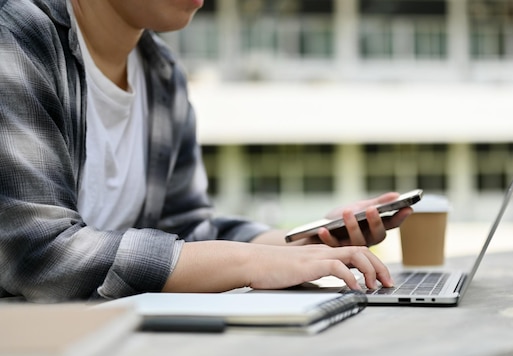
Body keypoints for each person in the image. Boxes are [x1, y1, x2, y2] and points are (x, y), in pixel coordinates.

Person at [0, 0, 412, 303]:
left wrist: (309, 243)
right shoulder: (15, 33)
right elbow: (40, 254)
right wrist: (250, 263)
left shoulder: (162, 73)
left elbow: (189, 235)